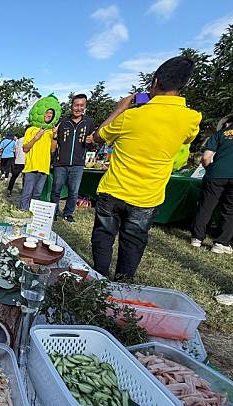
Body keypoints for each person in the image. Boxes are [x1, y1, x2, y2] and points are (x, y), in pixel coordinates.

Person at [91, 56, 202, 279]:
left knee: (103, 234)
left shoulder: (130, 116)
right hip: (147, 196)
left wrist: (119, 109)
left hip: (114, 189)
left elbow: (97, 137)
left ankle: (99, 278)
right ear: (183, 86)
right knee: (133, 241)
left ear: (155, 81)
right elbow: (188, 139)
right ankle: (123, 284)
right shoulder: (191, 118)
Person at [191, 112, 233, 254]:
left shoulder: (220, 134)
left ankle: (197, 238)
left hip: (216, 174)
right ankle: (220, 243)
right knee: (232, 210)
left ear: (227, 123)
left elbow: (206, 158)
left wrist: (210, 170)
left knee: (206, 205)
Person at [51, 94, 96, 222]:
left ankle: (68, 213)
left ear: (85, 106)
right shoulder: (63, 122)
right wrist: (54, 136)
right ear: (71, 106)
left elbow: (93, 144)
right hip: (60, 163)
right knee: (56, 190)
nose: (79, 108)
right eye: (76, 105)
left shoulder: (89, 122)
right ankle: (53, 212)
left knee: (73, 192)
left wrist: (91, 141)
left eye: (82, 105)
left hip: (78, 164)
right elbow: (54, 144)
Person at [19, 110, 58, 209]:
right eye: (47, 112)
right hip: (31, 168)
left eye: (51, 114)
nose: (49, 115)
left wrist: (55, 136)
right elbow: (25, 148)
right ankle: (22, 216)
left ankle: (33, 218)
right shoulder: (31, 129)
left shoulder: (51, 131)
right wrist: (36, 137)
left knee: (37, 195)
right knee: (26, 194)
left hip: (44, 168)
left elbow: (53, 150)